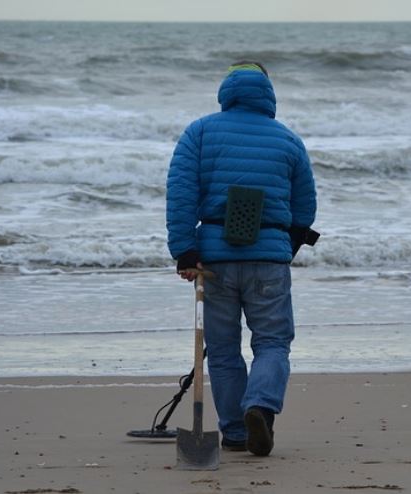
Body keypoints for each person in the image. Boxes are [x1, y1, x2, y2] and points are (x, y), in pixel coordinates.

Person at [166, 61, 317, 457]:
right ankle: (260, 407)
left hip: (214, 260)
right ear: (267, 92)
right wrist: (287, 247)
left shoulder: (198, 133)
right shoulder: (288, 141)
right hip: (268, 258)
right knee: (272, 342)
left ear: (226, 91)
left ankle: (234, 431)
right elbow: (305, 209)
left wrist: (185, 252)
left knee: (222, 348)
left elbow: (181, 194)